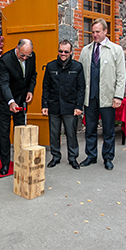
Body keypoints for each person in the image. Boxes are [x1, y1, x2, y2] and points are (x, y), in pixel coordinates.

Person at [79, 18, 126, 171]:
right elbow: (80, 75)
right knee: (90, 129)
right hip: (90, 98)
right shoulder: (85, 51)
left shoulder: (116, 50)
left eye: (98, 32)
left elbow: (121, 75)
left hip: (108, 98)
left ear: (105, 31)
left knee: (108, 130)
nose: (94, 35)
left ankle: (108, 157)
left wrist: (118, 96)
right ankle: (91, 156)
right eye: (92, 32)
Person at [0, 39, 38, 175]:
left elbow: (33, 75)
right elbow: (4, 84)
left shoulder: (32, 56)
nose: (25, 58)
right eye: (22, 55)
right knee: (4, 133)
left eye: (27, 56)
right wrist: (11, 101)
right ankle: (5, 164)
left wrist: (30, 90)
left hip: (21, 99)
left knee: (20, 133)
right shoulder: (5, 60)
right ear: (16, 48)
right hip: (5, 101)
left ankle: (20, 161)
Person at [42, 40, 85, 170]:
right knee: (54, 133)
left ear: (71, 52)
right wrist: (45, 105)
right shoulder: (50, 66)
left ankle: (73, 158)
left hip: (70, 106)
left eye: (66, 51)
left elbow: (81, 88)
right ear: (58, 50)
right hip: (54, 105)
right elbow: (46, 87)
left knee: (71, 133)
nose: (63, 54)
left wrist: (79, 106)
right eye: (61, 51)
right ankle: (55, 157)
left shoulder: (77, 67)